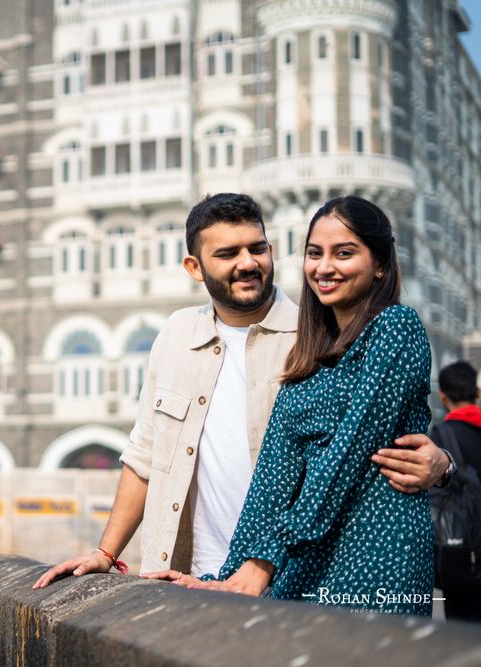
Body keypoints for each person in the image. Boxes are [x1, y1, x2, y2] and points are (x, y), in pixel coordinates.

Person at [34, 193, 448, 594]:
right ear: (194, 267)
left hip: (293, 570)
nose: (247, 263)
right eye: (228, 254)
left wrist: (443, 466)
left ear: (271, 249)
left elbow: (348, 454)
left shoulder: (316, 341)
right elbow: (146, 455)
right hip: (197, 571)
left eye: (256, 249)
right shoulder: (177, 335)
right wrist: (107, 552)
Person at [147, 195, 437, 615]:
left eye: (344, 253)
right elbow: (272, 481)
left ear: (380, 264)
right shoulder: (309, 355)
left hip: (375, 553)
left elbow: (347, 456)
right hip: (305, 560)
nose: (325, 267)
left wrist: (263, 562)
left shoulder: (396, 328)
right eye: (314, 253)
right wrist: (228, 576)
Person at [429, 361, 481, 621]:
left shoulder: (441, 435)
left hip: (460, 550)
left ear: (443, 396)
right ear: (478, 392)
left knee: (461, 629)